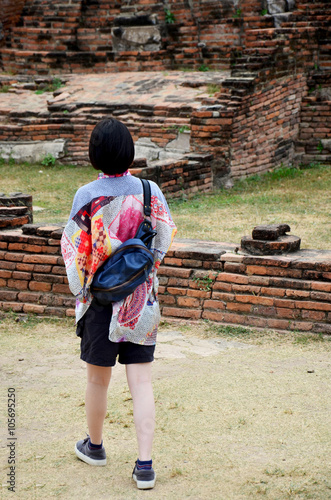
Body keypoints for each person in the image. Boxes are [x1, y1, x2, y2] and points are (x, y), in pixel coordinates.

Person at [61, 118, 177, 490]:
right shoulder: (148, 190)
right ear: (130, 150)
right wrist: (144, 272)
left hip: (99, 304)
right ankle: (145, 466)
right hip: (141, 302)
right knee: (141, 382)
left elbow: (73, 252)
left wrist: (82, 292)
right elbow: (163, 236)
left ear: (94, 154)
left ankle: (95, 447)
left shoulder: (86, 195)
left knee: (98, 379)